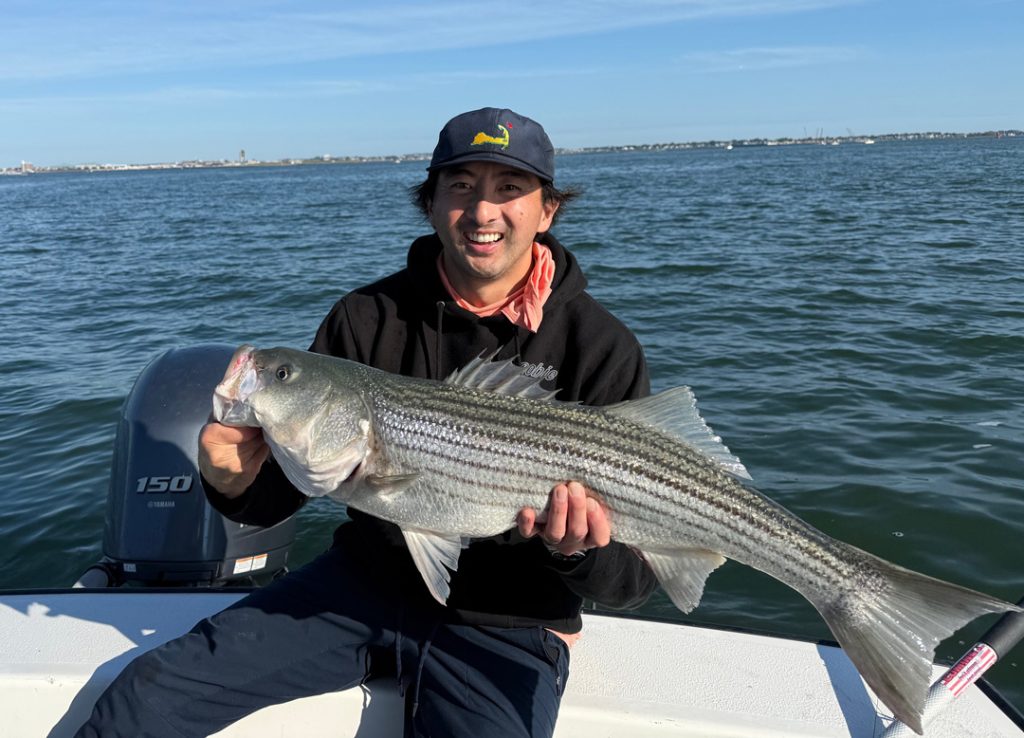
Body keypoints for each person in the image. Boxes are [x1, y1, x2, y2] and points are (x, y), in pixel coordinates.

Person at [76, 107, 657, 738]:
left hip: (513, 617)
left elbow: (629, 583)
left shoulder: (602, 347)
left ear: (547, 211)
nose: (484, 211)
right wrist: (233, 480)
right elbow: (289, 489)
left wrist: (571, 553)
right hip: (358, 585)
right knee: (143, 699)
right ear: (430, 203)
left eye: (509, 189)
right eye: (461, 187)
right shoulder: (363, 317)